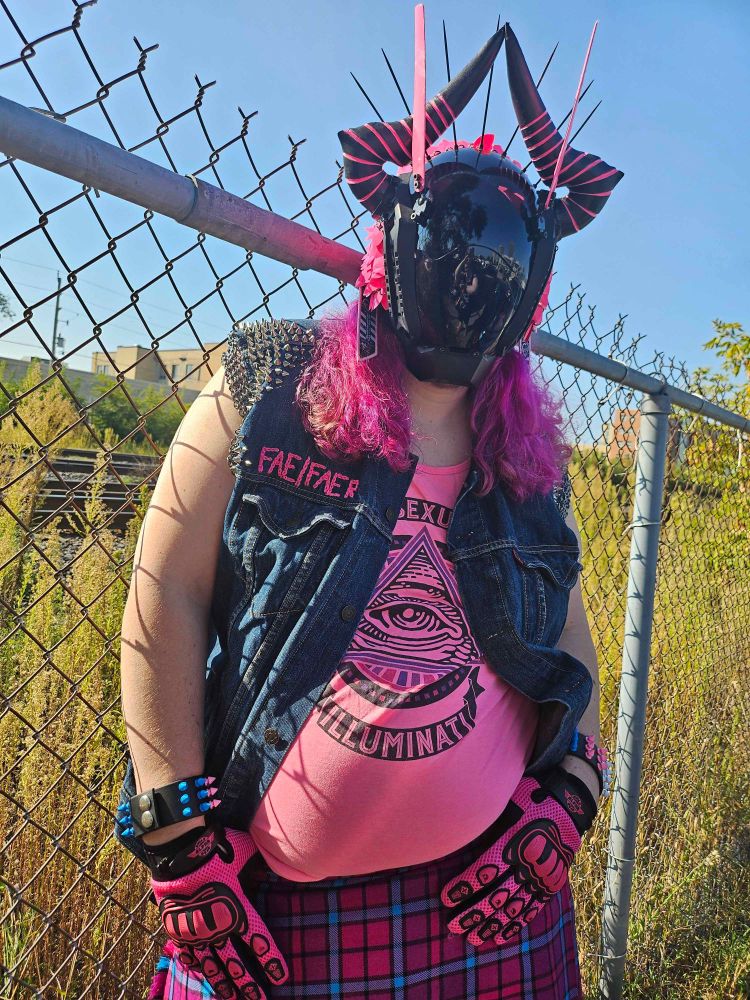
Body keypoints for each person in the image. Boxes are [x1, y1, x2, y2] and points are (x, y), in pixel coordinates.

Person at [116, 21, 619, 1000]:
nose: (471, 281)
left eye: (496, 267)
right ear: (394, 245)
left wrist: (572, 790)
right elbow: (166, 589)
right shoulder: (271, 384)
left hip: (489, 906)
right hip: (270, 903)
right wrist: (174, 827)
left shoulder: (527, 461)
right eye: (453, 254)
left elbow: (568, 634)